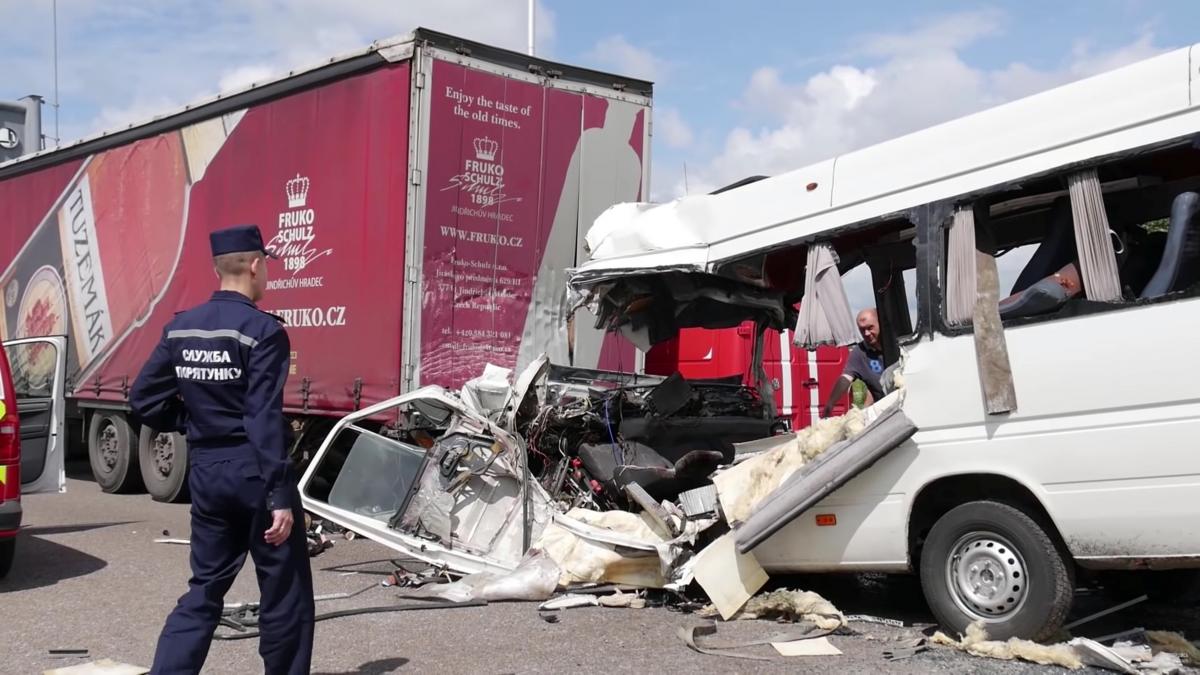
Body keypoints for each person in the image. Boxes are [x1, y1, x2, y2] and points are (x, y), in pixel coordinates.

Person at [130, 224, 314, 675]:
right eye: (266, 265)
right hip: (255, 474)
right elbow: (262, 418)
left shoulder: (180, 327)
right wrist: (278, 497)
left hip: (208, 473)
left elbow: (143, 400)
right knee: (284, 593)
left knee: (205, 588)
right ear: (255, 265)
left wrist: (192, 424)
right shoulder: (263, 331)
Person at [821, 308, 887, 419]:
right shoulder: (859, 352)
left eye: (870, 328)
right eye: (862, 330)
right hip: (884, 412)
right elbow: (846, 378)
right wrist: (830, 403)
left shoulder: (898, 343)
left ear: (880, 323)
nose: (866, 333)